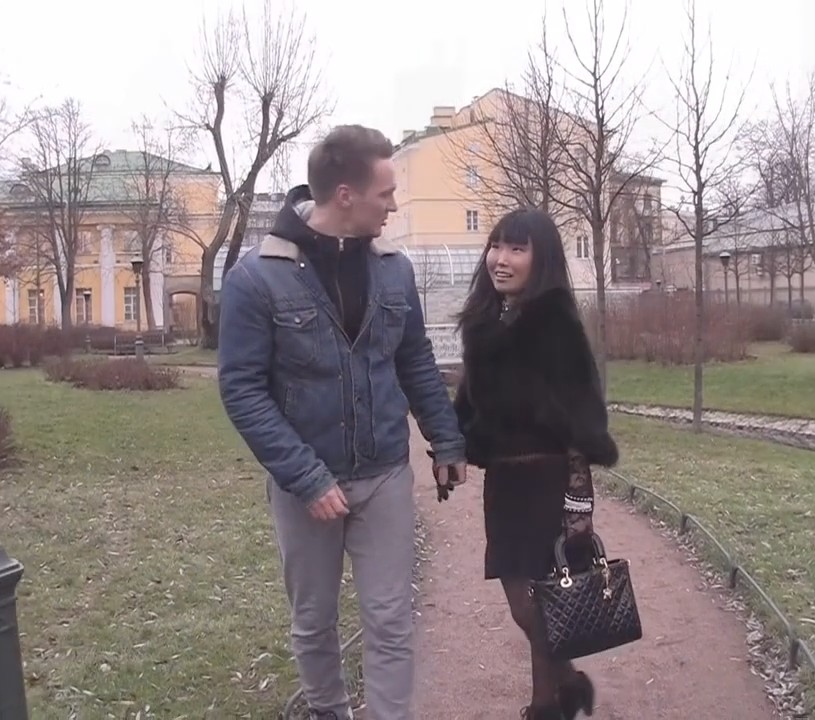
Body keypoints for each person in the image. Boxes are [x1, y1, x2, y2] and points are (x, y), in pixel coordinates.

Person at [216, 124, 468, 720]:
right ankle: (329, 710)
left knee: (390, 618)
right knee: (313, 621)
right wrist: (306, 478)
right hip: (305, 487)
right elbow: (242, 390)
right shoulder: (255, 278)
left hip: (384, 475)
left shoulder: (394, 271)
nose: (394, 205)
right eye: (386, 193)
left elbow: (414, 360)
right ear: (347, 195)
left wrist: (445, 437)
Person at [451, 208, 620, 720]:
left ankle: (546, 706)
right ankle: (569, 685)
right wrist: (450, 442)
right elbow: (470, 402)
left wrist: (578, 500)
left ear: (540, 259)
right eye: (496, 245)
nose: (500, 259)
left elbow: (583, 415)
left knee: (537, 602)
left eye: (516, 249)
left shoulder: (556, 323)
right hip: (505, 485)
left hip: (549, 482)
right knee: (522, 604)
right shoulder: (484, 323)